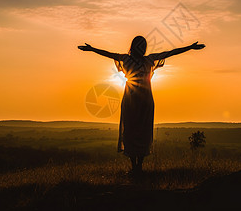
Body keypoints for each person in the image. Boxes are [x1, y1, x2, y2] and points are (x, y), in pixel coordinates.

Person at [78, 36, 205, 174]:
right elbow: (108, 54)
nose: (143, 48)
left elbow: (171, 52)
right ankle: (134, 166)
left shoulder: (147, 59)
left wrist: (189, 47)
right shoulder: (130, 59)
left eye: (144, 46)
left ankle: (139, 166)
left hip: (143, 101)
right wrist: (92, 49)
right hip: (132, 100)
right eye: (141, 45)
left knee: (143, 131)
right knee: (131, 131)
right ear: (135, 46)